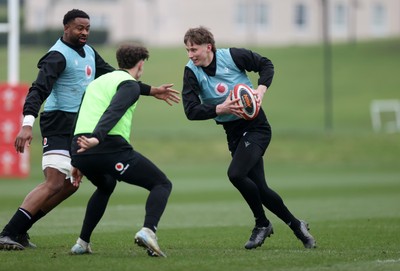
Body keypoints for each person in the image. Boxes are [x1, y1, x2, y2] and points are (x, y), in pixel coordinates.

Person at [0, 9, 176, 251]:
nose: (84, 32)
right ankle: (7, 233)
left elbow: (116, 77)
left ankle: (20, 231)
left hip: (78, 126)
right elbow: (38, 90)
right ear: (66, 28)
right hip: (57, 125)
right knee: (54, 181)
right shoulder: (57, 56)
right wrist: (27, 125)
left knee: (70, 184)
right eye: (79, 28)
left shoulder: (89, 53)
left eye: (87, 28)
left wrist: (150, 90)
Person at [182, 26, 316, 250]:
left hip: (256, 127)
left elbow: (266, 64)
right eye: (187, 50)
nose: (190, 55)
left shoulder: (232, 56)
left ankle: (262, 224)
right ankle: (297, 226)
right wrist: (220, 108)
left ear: (208, 47)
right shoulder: (191, 72)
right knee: (260, 188)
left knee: (235, 174)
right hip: (233, 133)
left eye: (194, 49)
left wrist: (260, 91)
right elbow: (191, 110)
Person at [68, 43, 179, 257]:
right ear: (140, 65)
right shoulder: (129, 85)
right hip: (106, 146)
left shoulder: (98, 82)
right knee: (161, 183)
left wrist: (75, 159)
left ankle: (82, 243)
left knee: (106, 185)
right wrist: (96, 139)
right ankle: (148, 231)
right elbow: (114, 111)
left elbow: (79, 116)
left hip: (79, 148)